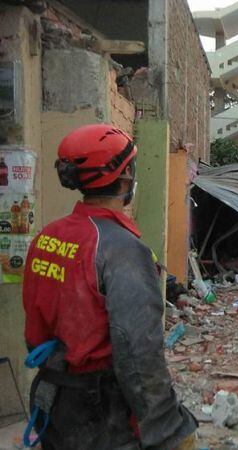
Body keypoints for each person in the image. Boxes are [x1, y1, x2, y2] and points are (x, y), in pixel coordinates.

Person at [22, 124, 197, 450]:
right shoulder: (123, 250)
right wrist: (166, 427)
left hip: (54, 400)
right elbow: (138, 354)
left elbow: (35, 325)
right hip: (102, 413)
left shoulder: (46, 237)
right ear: (126, 174)